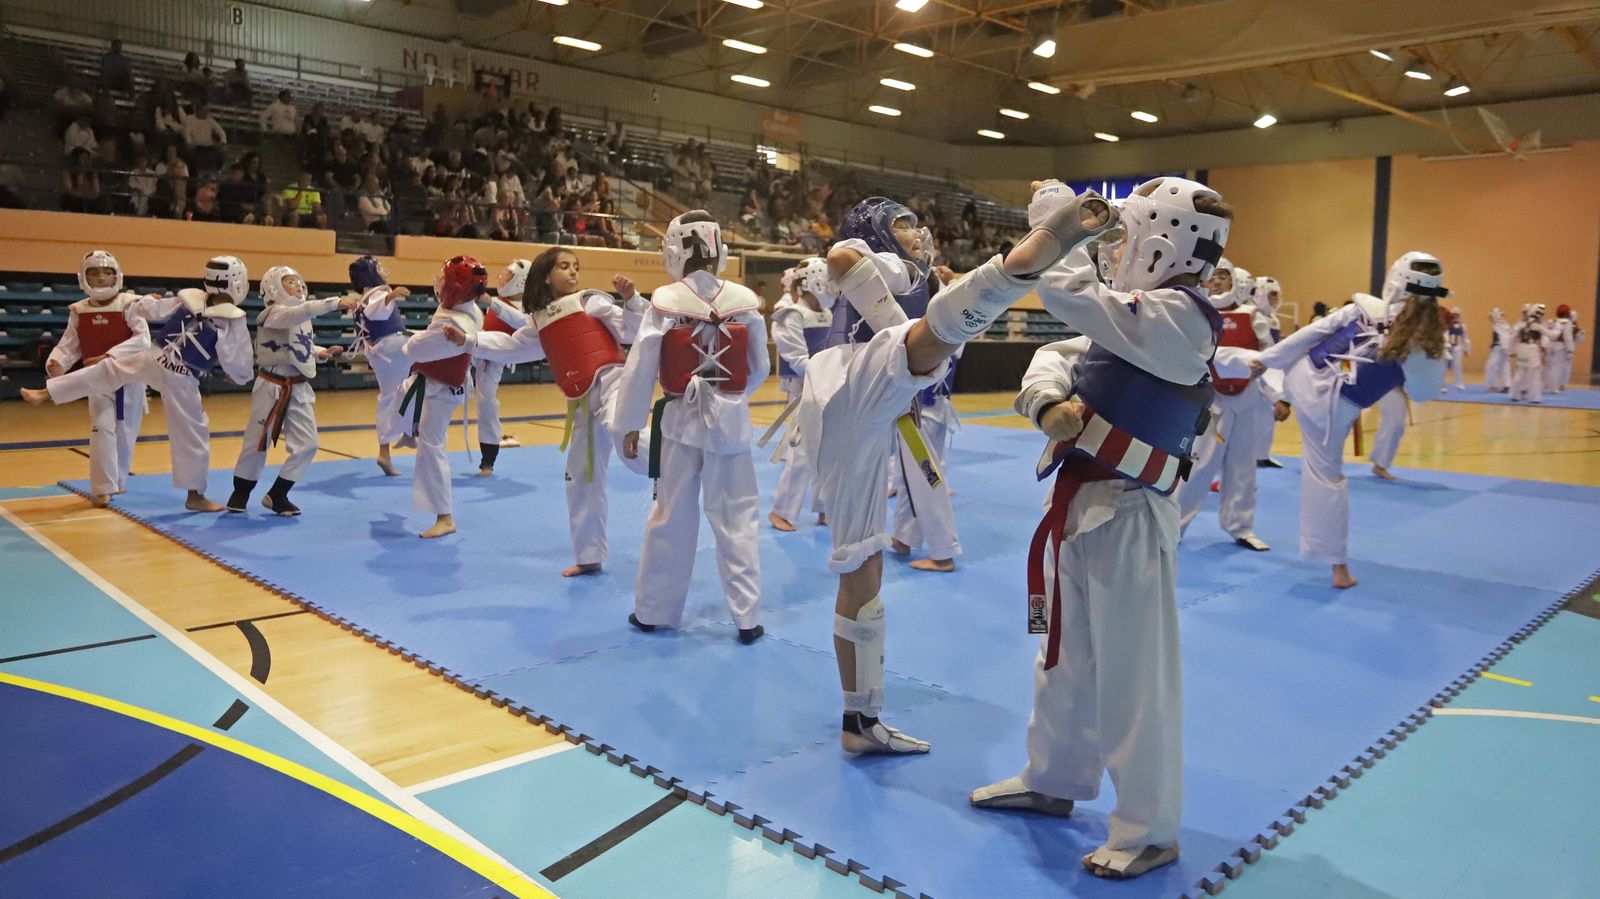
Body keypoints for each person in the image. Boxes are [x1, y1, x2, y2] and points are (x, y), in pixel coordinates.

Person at [961, 179, 1229, 884]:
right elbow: (1053, 354)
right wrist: (1047, 401)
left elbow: (1066, 297)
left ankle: (1149, 828)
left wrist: (1057, 224)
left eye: (1126, 237)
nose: (1118, 250)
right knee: (1064, 659)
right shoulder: (1129, 318)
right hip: (1083, 503)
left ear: (1160, 242)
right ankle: (1054, 776)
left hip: (1133, 510)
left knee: (1134, 677)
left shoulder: (1182, 319)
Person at [611, 211, 769, 642]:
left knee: (671, 515)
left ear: (675, 249)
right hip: (731, 423)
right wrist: (729, 398)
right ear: (719, 250)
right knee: (738, 518)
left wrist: (627, 424)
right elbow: (759, 368)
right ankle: (747, 618)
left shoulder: (665, 300)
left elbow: (641, 366)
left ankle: (653, 611)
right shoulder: (744, 301)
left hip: (681, 420)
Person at [1257, 252, 1449, 588]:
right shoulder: (1426, 344)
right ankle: (1338, 568)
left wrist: (1266, 359)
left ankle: (1257, 378)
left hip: (1300, 378)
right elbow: (1422, 392)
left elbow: (1309, 336)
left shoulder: (1362, 308)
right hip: (1330, 413)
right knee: (1326, 479)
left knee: (1245, 364)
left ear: (1395, 280)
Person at [455, 248, 647, 576]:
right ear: (546, 275)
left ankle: (672, 461)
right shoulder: (540, 320)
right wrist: (469, 340)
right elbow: (513, 346)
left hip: (613, 382)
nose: (573, 273)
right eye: (564, 267)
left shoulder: (590, 300)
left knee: (622, 430)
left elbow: (631, 331)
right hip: (582, 402)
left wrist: (631, 300)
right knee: (579, 477)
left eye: (576, 267)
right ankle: (589, 556)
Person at [22, 256, 254, 512]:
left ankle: (46, 392)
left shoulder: (194, 297)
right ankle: (195, 496)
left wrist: (142, 304)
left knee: (107, 371)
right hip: (180, 374)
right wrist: (238, 374)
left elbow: (152, 309)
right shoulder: (229, 317)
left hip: (156, 358)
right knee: (192, 432)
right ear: (238, 283)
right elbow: (239, 363)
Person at [1175, 258, 1284, 550]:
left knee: (1243, 466)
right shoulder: (1197, 313)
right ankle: (1174, 526)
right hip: (1210, 400)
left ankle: (1241, 525)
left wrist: (1278, 396)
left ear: (1236, 281)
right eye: (1215, 276)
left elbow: (1270, 357)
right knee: (1199, 467)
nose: (1220, 281)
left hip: (1247, 398)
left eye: (1225, 276)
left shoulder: (1253, 316)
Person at [227, 267, 355, 515]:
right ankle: (240, 492)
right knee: (256, 442)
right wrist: (336, 302)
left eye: (298, 280)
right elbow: (300, 312)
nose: (297, 285)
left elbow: (299, 345)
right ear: (273, 287)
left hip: (298, 386)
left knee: (309, 444)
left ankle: (277, 494)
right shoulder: (273, 314)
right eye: (289, 282)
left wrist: (320, 353)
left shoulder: (299, 317)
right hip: (271, 385)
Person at [39, 251, 150, 506]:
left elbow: (142, 339)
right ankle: (102, 488)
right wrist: (56, 362)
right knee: (102, 428)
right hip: (97, 380)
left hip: (129, 377)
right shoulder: (79, 311)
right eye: (94, 273)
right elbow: (70, 345)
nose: (101, 277)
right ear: (83, 278)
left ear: (117, 276)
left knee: (125, 432)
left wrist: (109, 355)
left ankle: (118, 481)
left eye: (107, 272)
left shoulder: (130, 304)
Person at [393, 256, 487, 539]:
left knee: (432, 448)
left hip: (440, 389)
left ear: (455, 289)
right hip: (439, 386)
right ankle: (410, 432)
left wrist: (412, 337)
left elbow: (413, 350)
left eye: (444, 279)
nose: (439, 282)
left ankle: (444, 516)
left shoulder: (451, 326)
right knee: (400, 399)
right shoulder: (467, 310)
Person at [768, 258, 832, 532]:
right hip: (804, 390)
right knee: (802, 452)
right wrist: (829, 374)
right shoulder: (791, 314)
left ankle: (824, 507)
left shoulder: (830, 315)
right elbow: (795, 357)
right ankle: (782, 510)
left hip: (827, 389)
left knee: (828, 451)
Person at [468, 259, 534, 477]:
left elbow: (522, 321)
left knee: (486, 404)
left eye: (509, 276)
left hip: (499, 356)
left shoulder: (528, 309)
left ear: (521, 282)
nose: (503, 278)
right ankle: (413, 427)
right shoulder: (500, 301)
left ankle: (488, 460)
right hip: (479, 352)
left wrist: (491, 301)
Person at [349, 256, 413, 476]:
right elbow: (376, 309)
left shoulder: (362, 298)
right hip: (391, 347)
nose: (382, 271)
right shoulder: (377, 294)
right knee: (418, 383)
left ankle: (404, 434)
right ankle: (405, 434)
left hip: (381, 351)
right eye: (378, 268)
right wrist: (390, 297)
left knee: (396, 393)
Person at [1512, 304, 1547, 404]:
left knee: (1520, 371)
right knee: (1535, 373)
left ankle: (1515, 394)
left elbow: (1513, 336)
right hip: (1532, 349)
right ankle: (1534, 397)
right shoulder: (1537, 325)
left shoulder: (1520, 324)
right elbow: (1550, 335)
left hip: (1521, 348)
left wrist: (1511, 350)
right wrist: (1558, 329)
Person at [1544, 304, 1580, 394]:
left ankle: (1548, 385)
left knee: (1550, 366)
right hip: (1560, 347)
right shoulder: (1567, 323)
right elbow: (1568, 337)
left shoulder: (1552, 321)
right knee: (1557, 368)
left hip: (1550, 345)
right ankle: (1554, 388)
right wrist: (1570, 350)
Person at [181, 103, 227, 173]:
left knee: (222, 149)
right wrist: (189, 142)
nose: (206, 113)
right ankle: (191, 170)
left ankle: (219, 169)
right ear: (197, 110)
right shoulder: (190, 119)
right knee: (188, 149)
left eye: (207, 111)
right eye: (204, 111)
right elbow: (187, 132)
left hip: (208, 145)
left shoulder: (210, 120)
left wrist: (223, 142)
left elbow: (221, 132)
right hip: (194, 145)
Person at [1484, 307, 1512, 393]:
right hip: (1504, 348)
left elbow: (1504, 337)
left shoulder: (1498, 326)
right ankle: (1507, 385)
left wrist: (1504, 348)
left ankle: (1492, 385)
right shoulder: (1505, 324)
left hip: (1499, 348)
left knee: (1490, 366)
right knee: (1504, 366)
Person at [1444, 307, 1470, 390]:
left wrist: (1466, 349)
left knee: (1457, 366)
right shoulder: (1447, 325)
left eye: (1457, 314)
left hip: (1457, 348)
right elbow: (1444, 335)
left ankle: (1459, 384)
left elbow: (1465, 338)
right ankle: (1440, 384)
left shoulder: (1463, 326)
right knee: (1443, 366)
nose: (1455, 316)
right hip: (1448, 347)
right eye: (1454, 314)